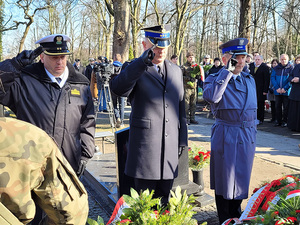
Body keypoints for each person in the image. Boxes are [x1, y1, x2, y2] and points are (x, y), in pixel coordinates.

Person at [110, 24, 188, 206]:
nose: (161, 52)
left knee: (165, 202)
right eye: (157, 47)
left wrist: (182, 140)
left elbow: (181, 109)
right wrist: (140, 63)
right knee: (144, 205)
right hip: (145, 150)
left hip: (169, 149)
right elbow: (118, 89)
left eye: (164, 47)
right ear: (145, 45)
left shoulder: (176, 71)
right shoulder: (135, 68)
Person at [0, 34, 95, 176]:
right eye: (54, 57)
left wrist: (85, 154)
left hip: (68, 164)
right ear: (42, 57)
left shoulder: (81, 84)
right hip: (32, 165)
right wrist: (13, 65)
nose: (60, 62)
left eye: (63, 57)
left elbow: (88, 121)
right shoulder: (25, 81)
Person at [203, 38, 257, 224]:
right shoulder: (215, 78)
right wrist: (226, 72)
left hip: (246, 136)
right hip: (226, 134)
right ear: (226, 58)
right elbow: (212, 97)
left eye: (243, 57)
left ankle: (237, 215)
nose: (241, 61)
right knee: (225, 179)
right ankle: (224, 218)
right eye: (237, 57)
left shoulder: (249, 80)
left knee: (242, 177)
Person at [0, 117, 88, 224]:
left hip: (59, 152)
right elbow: (73, 213)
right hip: (36, 151)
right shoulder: (28, 136)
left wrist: (86, 152)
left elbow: (87, 122)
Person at [271, 54, 293, 127]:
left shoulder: (291, 68)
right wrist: (277, 88)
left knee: (286, 107)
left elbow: (290, 80)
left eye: (285, 59)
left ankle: (285, 121)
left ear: (288, 59)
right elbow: (273, 78)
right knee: (277, 106)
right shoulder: (276, 68)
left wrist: (285, 88)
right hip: (277, 91)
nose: (283, 61)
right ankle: (278, 120)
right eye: (282, 59)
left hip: (286, 92)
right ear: (280, 59)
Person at [249, 55, 270, 124]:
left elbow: (267, 80)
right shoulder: (252, 66)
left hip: (261, 89)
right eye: (256, 59)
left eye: (258, 59)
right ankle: (254, 117)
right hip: (253, 88)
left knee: (260, 104)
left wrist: (265, 90)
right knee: (254, 103)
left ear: (261, 60)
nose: (257, 61)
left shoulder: (265, 68)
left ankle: (260, 118)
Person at [182, 52, 202, 124]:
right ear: (187, 58)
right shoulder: (184, 67)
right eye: (190, 57)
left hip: (194, 87)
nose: (191, 58)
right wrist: (189, 78)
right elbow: (180, 76)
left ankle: (192, 118)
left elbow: (199, 76)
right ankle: (186, 118)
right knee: (186, 104)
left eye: (192, 57)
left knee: (193, 104)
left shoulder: (196, 66)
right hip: (187, 87)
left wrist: (198, 75)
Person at [111, 53, 125, 128]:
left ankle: (117, 117)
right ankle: (121, 121)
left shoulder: (110, 67)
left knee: (114, 105)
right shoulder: (123, 67)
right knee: (121, 105)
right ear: (120, 59)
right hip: (122, 88)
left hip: (113, 88)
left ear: (114, 59)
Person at [287, 63, 300, 131]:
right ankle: (293, 126)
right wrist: (292, 79)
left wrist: (299, 80)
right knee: (294, 111)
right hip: (294, 92)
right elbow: (290, 76)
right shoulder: (297, 66)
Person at [267, 59, 279, 123]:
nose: (274, 65)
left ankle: (277, 118)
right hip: (270, 88)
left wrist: (274, 88)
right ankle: (273, 117)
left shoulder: (278, 70)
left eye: (276, 63)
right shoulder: (270, 71)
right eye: (273, 63)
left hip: (276, 89)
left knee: (277, 104)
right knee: (272, 104)